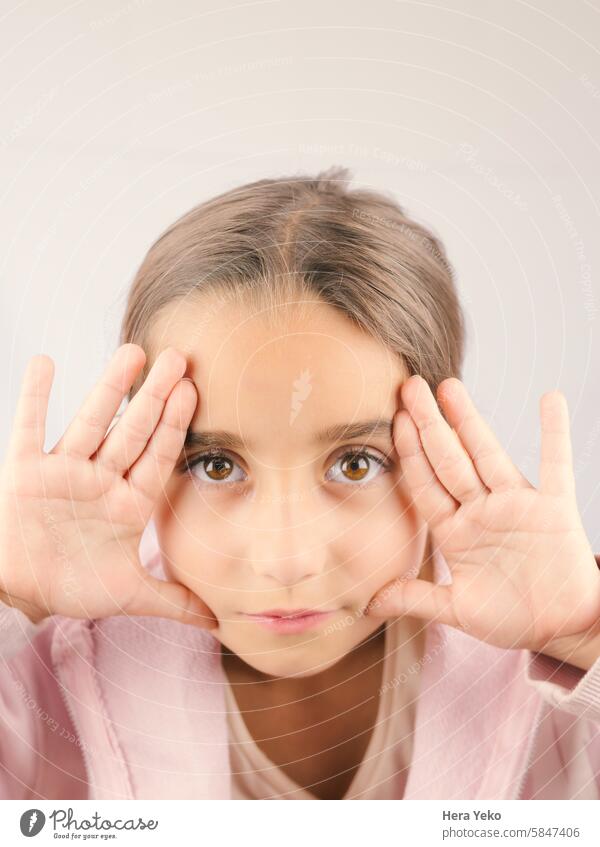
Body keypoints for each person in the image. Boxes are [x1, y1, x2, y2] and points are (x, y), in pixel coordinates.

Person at [1, 166, 600, 801]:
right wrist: (10, 600)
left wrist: (584, 633)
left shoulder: (555, 659)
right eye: (216, 466)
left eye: (356, 463)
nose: (287, 559)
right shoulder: (47, 661)